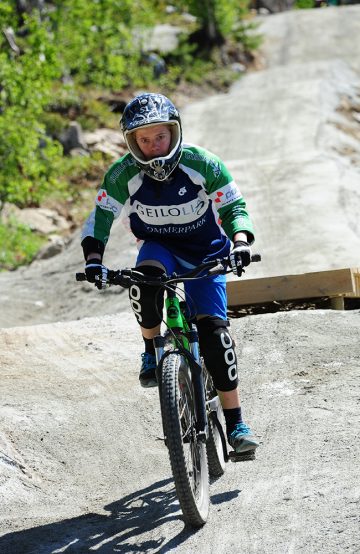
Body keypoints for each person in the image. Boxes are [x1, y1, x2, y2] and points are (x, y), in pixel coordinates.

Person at [81, 92, 259, 454]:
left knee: (215, 335)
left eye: (159, 137)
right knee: (144, 276)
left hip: (207, 252)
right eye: (142, 140)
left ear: (175, 133)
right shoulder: (122, 173)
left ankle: (236, 423)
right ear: (132, 142)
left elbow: (233, 205)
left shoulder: (202, 163)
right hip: (160, 249)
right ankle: (150, 349)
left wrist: (240, 242)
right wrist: (93, 260)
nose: (152, 147)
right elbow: (100, 218)